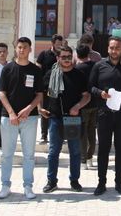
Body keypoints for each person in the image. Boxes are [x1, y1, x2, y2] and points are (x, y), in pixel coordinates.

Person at [89, 36, 121, 196]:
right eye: (111, 48)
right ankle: (101, 183)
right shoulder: (99, 66)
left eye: (117, 48)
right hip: (104, 114)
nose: (114, 51)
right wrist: (100, 93)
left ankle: (119, 182)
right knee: (103, 149)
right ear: (108, 49)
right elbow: (90, 86)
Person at [0, 37, 45, 200]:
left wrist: (29, 108)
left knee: (29, 154)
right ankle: (5, 185)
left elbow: (39, 94)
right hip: (8, 118)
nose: (22, 50)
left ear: (30, 49)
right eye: (19, 47)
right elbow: (1, 92)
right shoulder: (7, 69)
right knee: (7, 154)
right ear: (15, 49)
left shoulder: (36, 70)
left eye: (25, 47)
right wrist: (10, 112)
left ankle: (28, 186)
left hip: (29, 118)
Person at [40, 45, 90, 193]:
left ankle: (74, 181)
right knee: (53, 151)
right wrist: (40, 108)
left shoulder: (79, 75)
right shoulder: (51, 74)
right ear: (58, 58)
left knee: (75, 152)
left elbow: (86, 96)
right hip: (55, 118)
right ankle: (51, 181)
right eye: (64, 57)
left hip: (73, 119)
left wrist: (78, 106)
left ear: (72, 58)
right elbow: (41, 93)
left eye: (69, 57)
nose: (67, 60)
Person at [36, 34, 63, 145]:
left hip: (59, 88)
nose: (59, 46)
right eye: (57, 44)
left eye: (61, 44)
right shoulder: (44, 54)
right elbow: (38, 69)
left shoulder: (62, 55)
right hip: (46, 87)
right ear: (52, 44)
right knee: (45, 111)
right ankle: (44, 135)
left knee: (60, 111)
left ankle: (60, 134)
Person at [75, 45, 97, 170]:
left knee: (82, 134)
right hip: (94, 103)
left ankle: (83, 160)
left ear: (77, 55)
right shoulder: (95, 66)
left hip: (81, 104)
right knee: (92, 132)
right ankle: (90, 158)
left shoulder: (77, 68)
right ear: (89, 54)